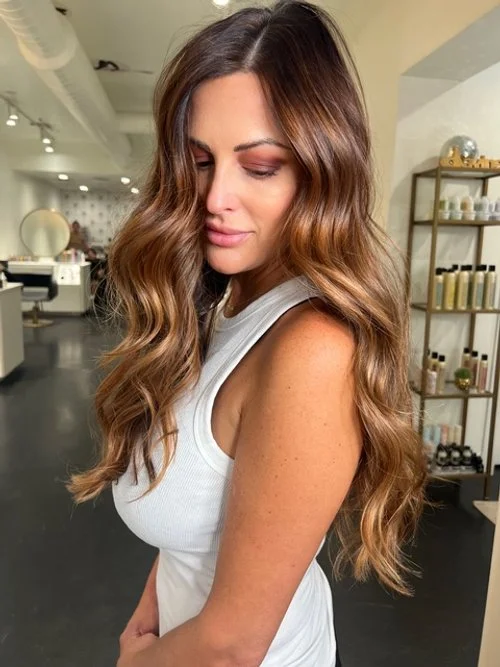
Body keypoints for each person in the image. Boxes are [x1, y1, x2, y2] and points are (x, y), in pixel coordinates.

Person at [68, 2, 427, 666]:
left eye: (259, 166)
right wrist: (150, 611)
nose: (214, 198)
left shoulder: (312, 350)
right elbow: (195, 515)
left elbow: (233, 645)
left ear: (323, 170)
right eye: (201, 160)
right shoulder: (228, 295)